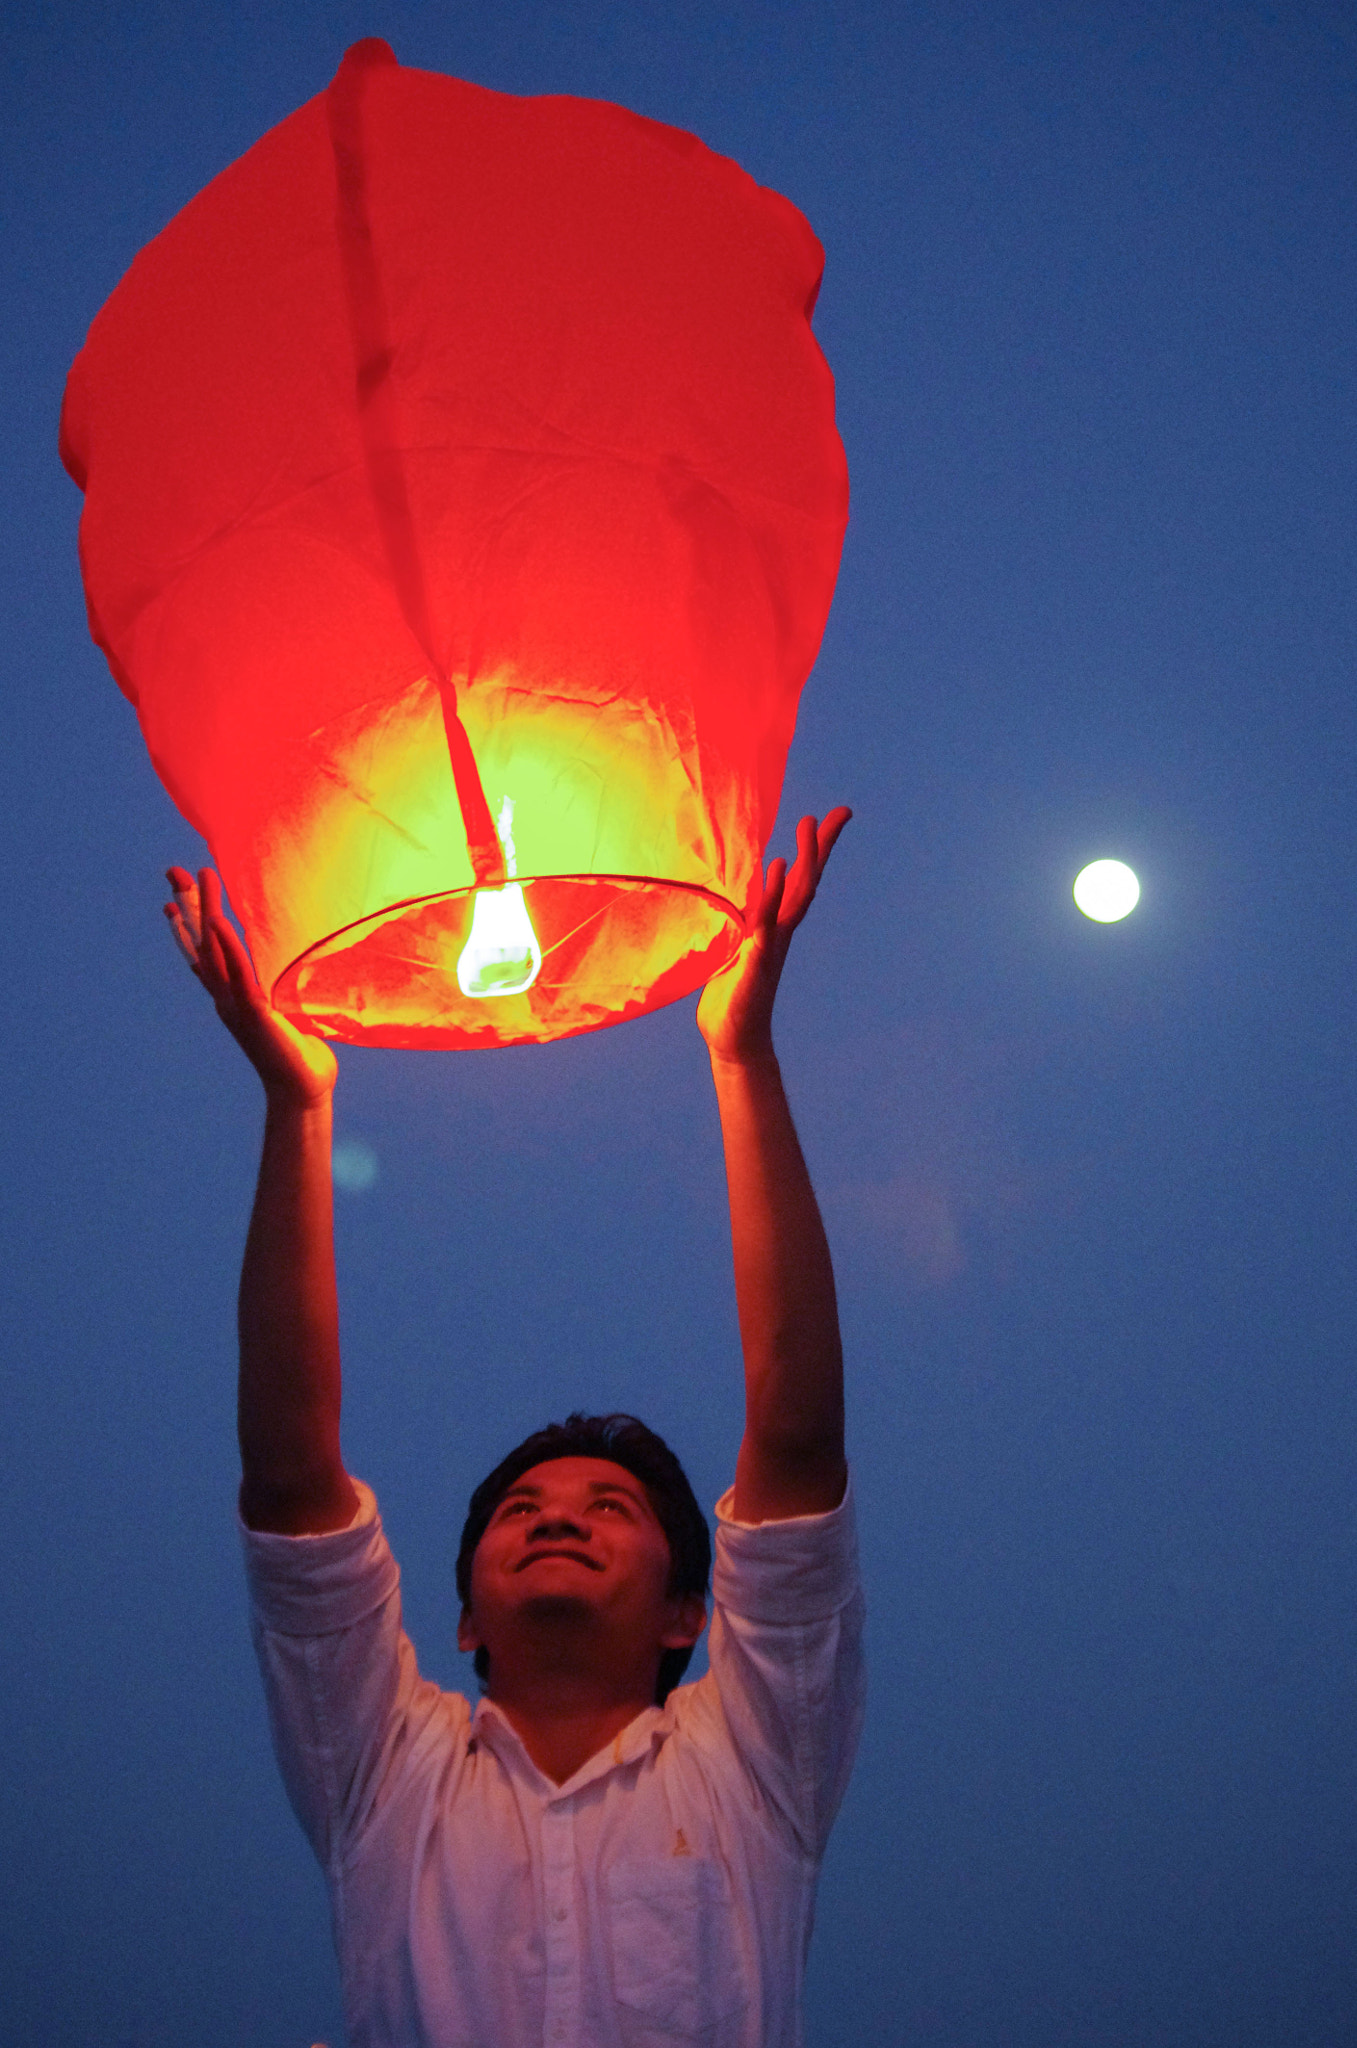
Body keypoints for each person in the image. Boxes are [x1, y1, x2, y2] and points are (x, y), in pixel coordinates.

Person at [165, 808, 863, 2048]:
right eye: (521, 1512)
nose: (555, 1516)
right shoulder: (384, 1771)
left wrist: (742, 1056)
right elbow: (288, 1479)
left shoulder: (754, 1763)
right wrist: (297, 1104)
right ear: (466, 1618)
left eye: (611, 1509)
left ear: (684, 1614)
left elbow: (798, 1445)